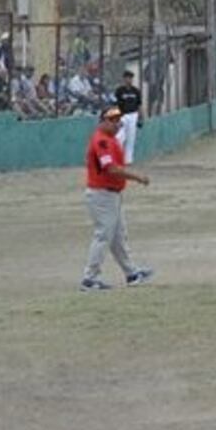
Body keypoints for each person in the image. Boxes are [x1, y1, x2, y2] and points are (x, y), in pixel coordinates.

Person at [80, 106, 155, 291]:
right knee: (103, 236)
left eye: (118, 120)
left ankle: (131, 273)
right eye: (112, 120)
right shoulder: (102, 141)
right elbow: (111, 169)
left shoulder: (110, 140)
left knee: (118, 237)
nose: (117, 123)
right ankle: (89, 279)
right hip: (102, 194)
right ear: (103, 121)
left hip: (111, 194)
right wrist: (136, 177)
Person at [114, 70, 144, 164]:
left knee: (131, 138)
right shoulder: (119, 90)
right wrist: (115, 117)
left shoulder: (136, 91)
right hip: (122, 115)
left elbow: (139, 105)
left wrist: (141, 117)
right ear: (124, 79)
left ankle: (128, 160)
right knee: (119, 137)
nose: (129, 79)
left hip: (133, 115)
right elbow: (115, 105)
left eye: (131, 78)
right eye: (127, 77)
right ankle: (117, 157)